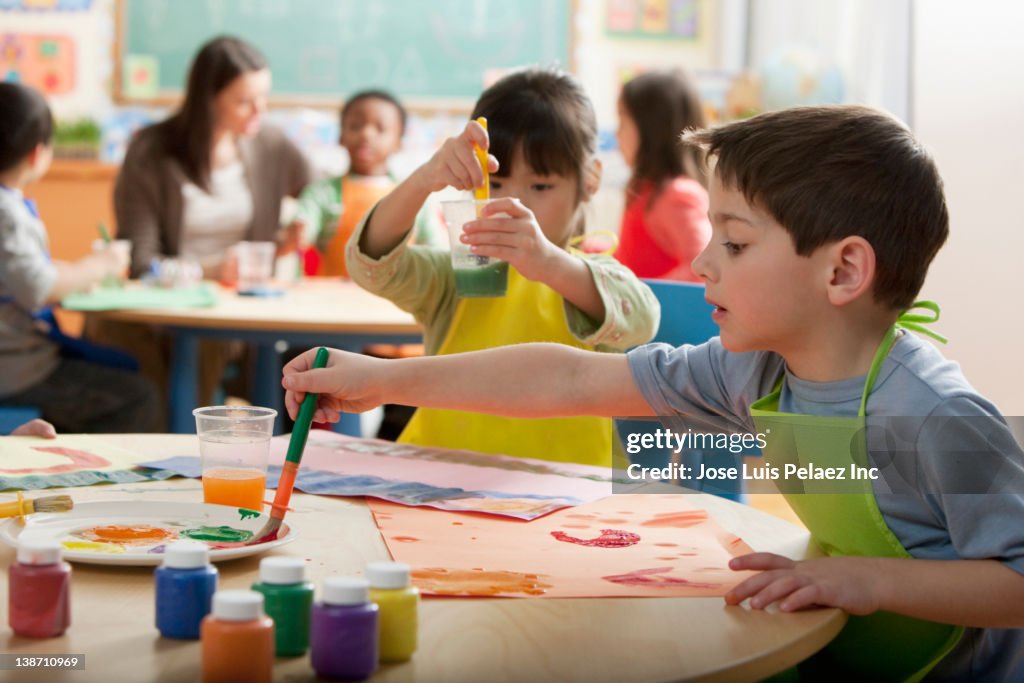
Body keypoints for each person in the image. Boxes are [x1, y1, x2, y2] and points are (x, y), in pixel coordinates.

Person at [283, 105, 1024, 680]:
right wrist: (379, 377)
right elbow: (570, 376)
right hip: (830, 645)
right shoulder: (757, 368)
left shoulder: (936, 414)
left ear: (841, 272)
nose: (702, 263)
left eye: (733, 242)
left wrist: (865, 577)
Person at [344, 67, 659, 465]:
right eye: (496, 184)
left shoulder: (595, 280)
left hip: (568, 493)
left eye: (541, 186)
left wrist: (547, 262)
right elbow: (370, 265)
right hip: (443, 480)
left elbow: (642, 318)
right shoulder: (460, 273)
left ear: (590, 179)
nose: (515, 205)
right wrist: (425, 178)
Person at [89, 35, 313, 414]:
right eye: (243, 102)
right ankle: (175, 444)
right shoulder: (152, 152)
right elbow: (141, 261)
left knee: (232, 342)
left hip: (239, 306)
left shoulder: (269, 143)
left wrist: (303, 221)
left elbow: (323, 192)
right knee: (134, 342)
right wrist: (212, 269)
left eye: (264, 98)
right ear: (208, 100)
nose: (259, 111)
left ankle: (194, 442)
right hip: (171, 304)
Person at [0, 82, 159, 433]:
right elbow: (37, 286)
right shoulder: (6, 211)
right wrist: (98, 266)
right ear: (37, 154)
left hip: (16, 364)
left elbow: (19, 274)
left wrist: (77, 272)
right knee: (139, 395)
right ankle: (102, 482)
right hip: (16, 372)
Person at [284, 89, 442, 277]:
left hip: (397, 303)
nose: (366, 134)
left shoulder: (416, 195)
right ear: (340, 136)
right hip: (331, 301)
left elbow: (436, 253)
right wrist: (296, 234)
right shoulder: (322, 193)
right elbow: (302, 226)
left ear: (399, 142)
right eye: (355, 126)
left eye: (380, 129)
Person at [614, 69, 711, 282]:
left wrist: (645, 293)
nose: (616, 133)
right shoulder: (648, 190)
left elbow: (703, 266)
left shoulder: (676, 195)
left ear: (651, 130)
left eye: (622, 123)